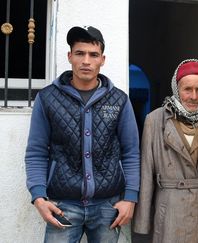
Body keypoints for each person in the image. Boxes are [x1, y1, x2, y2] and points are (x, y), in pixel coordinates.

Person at [25, 26, 140, 243]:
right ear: (70, 56)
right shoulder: (47, 98)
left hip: (108, 206)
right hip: (63, 206)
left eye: (93, 54)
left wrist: (130, 198)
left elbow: (131, 152)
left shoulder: (119, 100)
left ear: (102, 59)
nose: (86, 60)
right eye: (80, 53)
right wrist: (38, 196)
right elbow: (36, 152)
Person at [133, 59, 198, 243]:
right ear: (177, 89)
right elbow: (147, 172)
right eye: (187, 89)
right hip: (171, 211)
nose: (194, 96)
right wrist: (143, 222)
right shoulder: (155, 120)